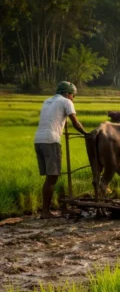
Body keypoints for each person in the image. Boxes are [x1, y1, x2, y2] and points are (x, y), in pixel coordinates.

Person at [33, 81, 88, 219]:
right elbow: (75, 122)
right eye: (73, 95)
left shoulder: (47, 101)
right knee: (52, 178)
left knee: (49, 177)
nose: (73, 98)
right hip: (51, 140)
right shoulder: (66, 102)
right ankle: (45, 212)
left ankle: (46, 210)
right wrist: (87, 134)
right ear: (68, 94)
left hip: (38, 140)